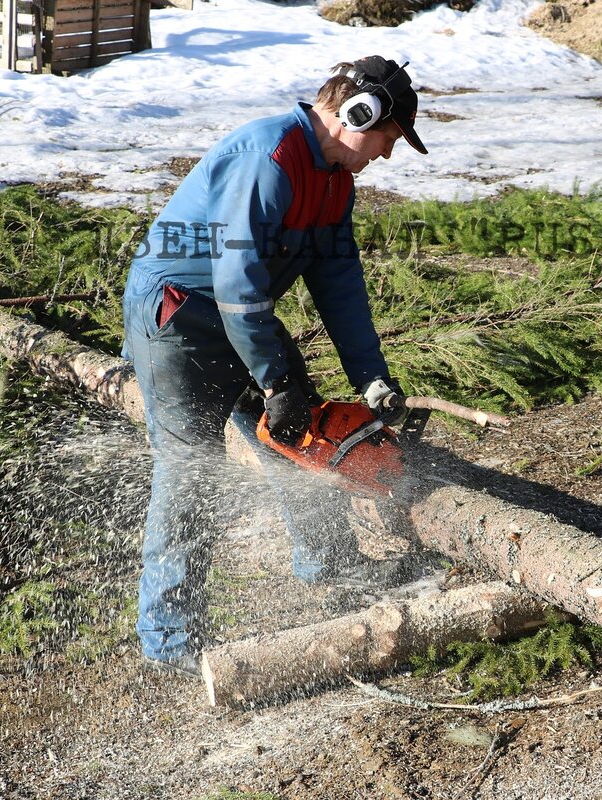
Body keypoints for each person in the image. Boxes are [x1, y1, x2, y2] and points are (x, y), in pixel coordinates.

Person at [121, 56, 428, 678]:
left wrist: (371, 375)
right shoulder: (269, 158)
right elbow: (236, 283)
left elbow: (339, 282)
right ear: (357, 114)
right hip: (179, 314)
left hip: (242, 313)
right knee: (190, 468)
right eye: (389, 139)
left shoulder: (336, 179)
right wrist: (276, 378)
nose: (388, 156)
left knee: (301, 435)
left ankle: (330, 563)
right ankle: (170, 637)